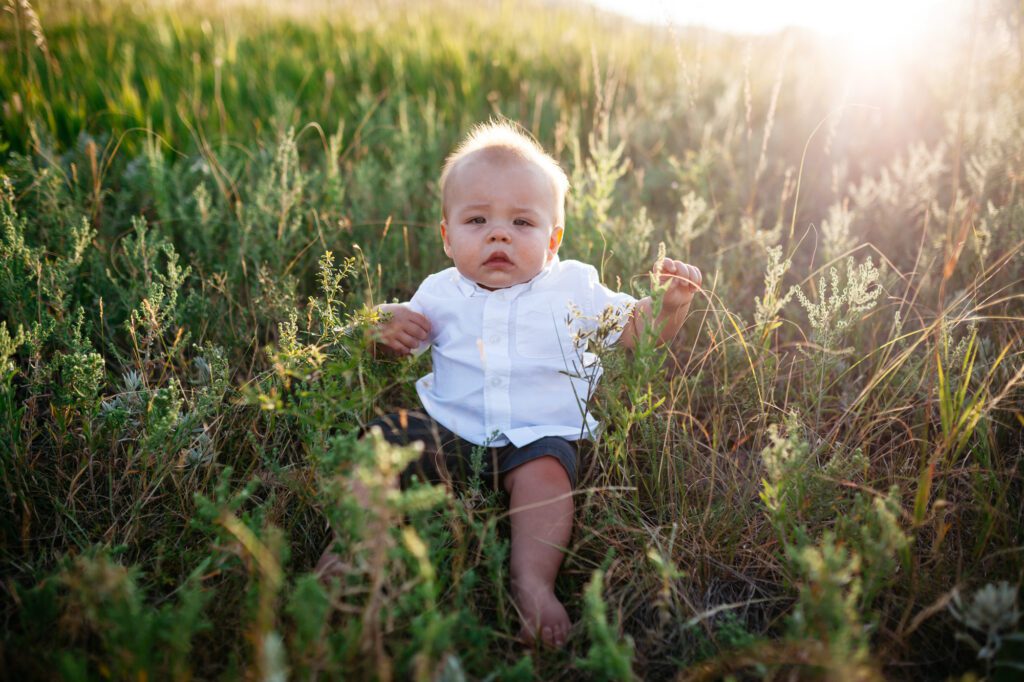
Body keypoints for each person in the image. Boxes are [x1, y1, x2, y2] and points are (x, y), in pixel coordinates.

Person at [316, 120, 702, 648]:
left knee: (547, 478)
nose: (499, 234)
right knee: (381, 441)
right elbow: (390, 343)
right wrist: (376, 325)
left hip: (537, 436)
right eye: (477, 220)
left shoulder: (573, 287)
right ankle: (357, 547)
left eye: (522, 222)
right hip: (448, 431)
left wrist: (667, 306)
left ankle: (532, 585)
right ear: (448, 237)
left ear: (553, 240)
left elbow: (636, 335)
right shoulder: (439, 292)